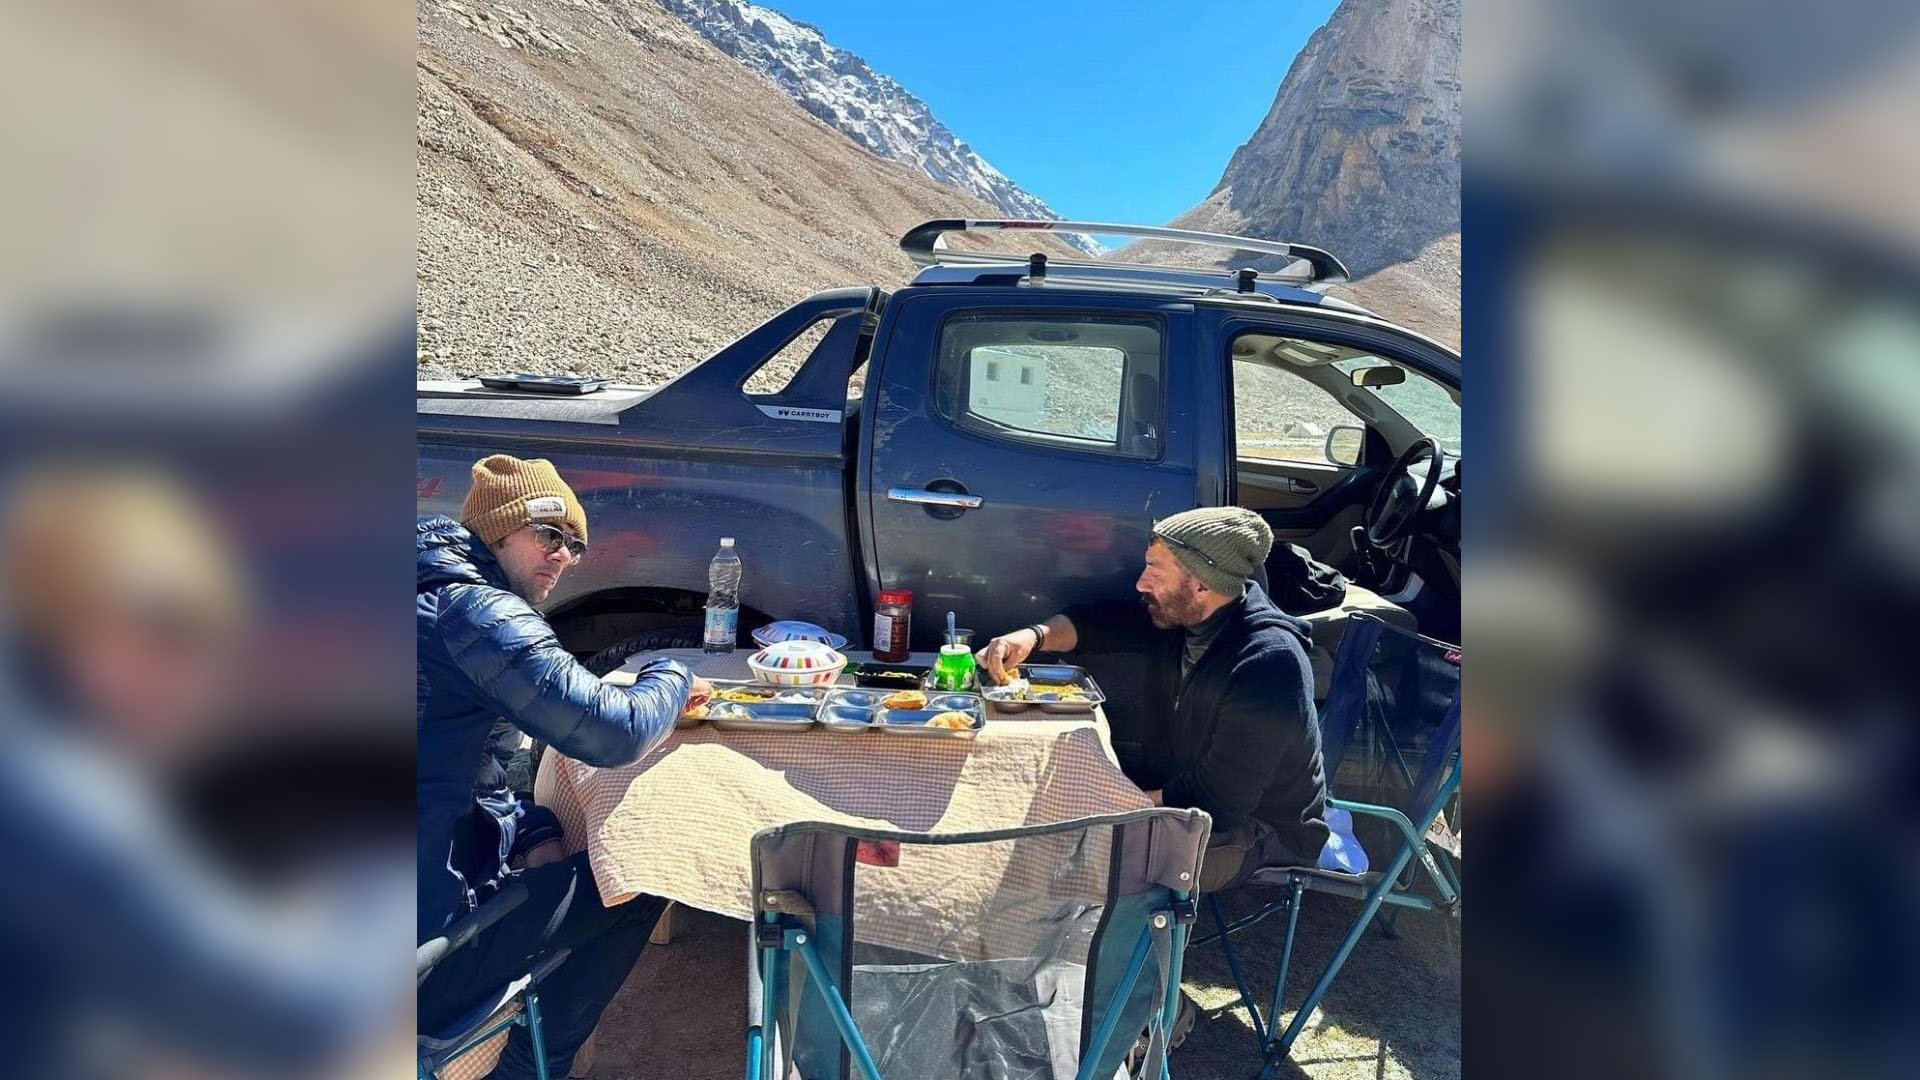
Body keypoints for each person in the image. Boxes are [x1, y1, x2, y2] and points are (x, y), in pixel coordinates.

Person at [417, 453, 711, 1079]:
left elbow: (457, 768)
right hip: (416, 959)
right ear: (497, 531)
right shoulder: (472, 612)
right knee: (640, 876)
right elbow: (614, 731)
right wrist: (671, 668)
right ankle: (525, 1067)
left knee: (552, 824)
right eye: (548, 534)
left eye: (575, 545)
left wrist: (531, 831)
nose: (564, 555)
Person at [978, 506, 1328, 892]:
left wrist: (1105, 809)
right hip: (1183, 791)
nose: (1141, 584)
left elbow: (1220, 801)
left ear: (1201, 584)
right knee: (1041, 800)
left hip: (1256, 832)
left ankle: (1087, 947)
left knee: (1083, 853)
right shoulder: (1186, 616)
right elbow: (1100, 623)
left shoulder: (1268, 663)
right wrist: (1033, 637)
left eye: (1155, 572)